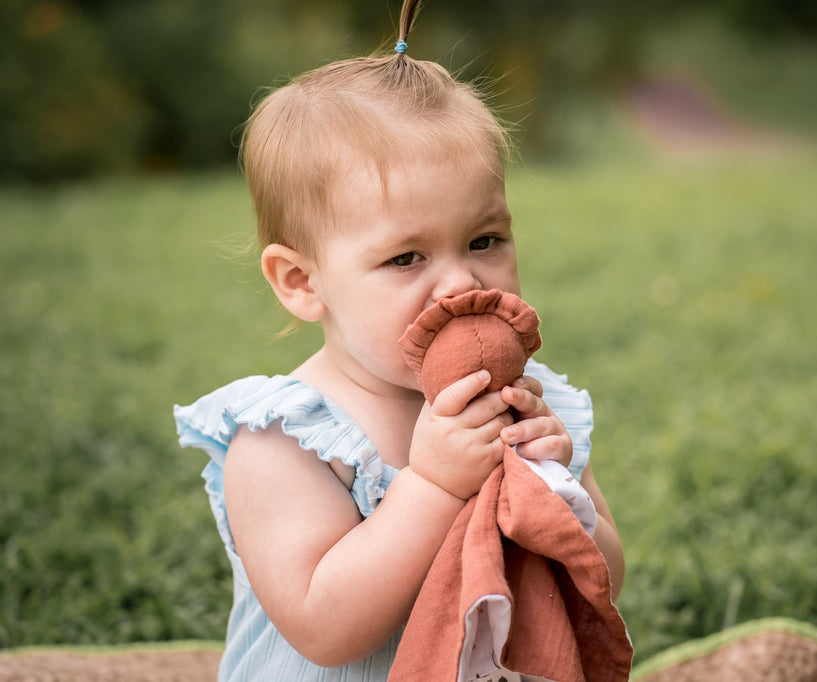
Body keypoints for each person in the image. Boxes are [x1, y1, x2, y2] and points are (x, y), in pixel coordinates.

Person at [173, 0, 624, 679]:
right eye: (406, 258)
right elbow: (324, 627)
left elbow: (606, 579)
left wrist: (556, 487)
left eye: (484, 241)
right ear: (301, 281)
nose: (459, 283)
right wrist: (435, 487)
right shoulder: (284, 441)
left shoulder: (531, 405)